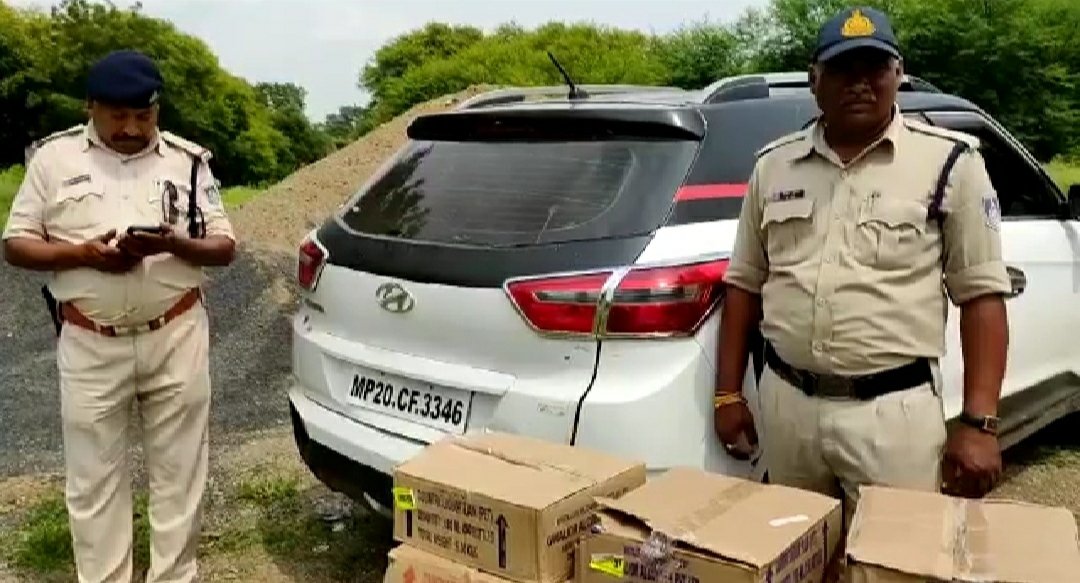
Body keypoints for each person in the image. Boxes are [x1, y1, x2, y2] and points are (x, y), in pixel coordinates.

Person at [712, 6, 1011, 529]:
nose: (859, 83)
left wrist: (979, 423)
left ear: (898, 74)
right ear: (814, 80)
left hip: (892, 415)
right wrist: (727, 393)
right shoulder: (773, 166)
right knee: (795, 551)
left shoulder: (950, 165)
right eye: (842, 69)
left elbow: (981, 295)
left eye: (874, 68)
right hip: (787, 407)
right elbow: (744, 285)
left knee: (894, 557)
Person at [2, 49, 236, 583]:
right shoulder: (53, 160)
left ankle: (173, 576)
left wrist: (174, 243)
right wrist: (81, 255)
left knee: (180, 472)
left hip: (176, 333)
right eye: (118, 116)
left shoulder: (188, 161)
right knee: (93, 479)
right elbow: (16, 244)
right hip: (90, 339)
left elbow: (224, 246)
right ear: (90, 107)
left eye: (143, 116)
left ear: (157, 110)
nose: (131, 128)